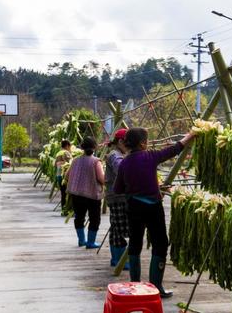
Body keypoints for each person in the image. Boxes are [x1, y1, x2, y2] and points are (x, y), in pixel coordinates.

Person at [114, 128, 196, 298]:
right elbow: (174, 149)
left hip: (134, 208)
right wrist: (190, 135)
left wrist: (136, 188)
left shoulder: (124, 163)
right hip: (153, 207)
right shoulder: (150, 156)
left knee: (135, 244)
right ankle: (156, 286)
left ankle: (134, 285)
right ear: (143, 143)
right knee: (160, 243)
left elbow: (118, 189)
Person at [66, 137, 104, 248]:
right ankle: (91, 242)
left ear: (82, 147)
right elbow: (101, 178)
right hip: (92, 195)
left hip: (77, 194)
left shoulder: (75, 160)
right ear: (95, 147)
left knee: (79, 217)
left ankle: (81, 240)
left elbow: (67, 175)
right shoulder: (96, 161)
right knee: (94, 218)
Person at [104, 128, 129, 270]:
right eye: (128, 143)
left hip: (116, 196)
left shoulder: (118, 153)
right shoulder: (115, 154)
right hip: (118, 197)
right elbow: (121, 169)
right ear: (120, 142)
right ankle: (120, 260)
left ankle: (116, 258)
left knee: (115, 228)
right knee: (119, 229)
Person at [55, 140, 72, 215]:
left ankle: (63, 209)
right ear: (67, 146)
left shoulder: (58, 153)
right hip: (64, 176)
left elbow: (55, 165)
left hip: (58, 175)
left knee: (63, 193)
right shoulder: (66, 153)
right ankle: (67, 209)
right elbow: (70, 163)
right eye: (70, 146)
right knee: (67, 193)